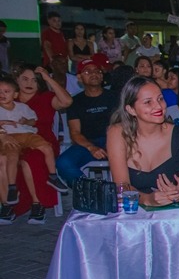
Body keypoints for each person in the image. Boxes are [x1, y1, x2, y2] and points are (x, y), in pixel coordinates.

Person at [107, 77, 179, 206]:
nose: (159, 106)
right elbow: (122, 187)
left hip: (174, 213)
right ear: (131, 109)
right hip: (133, 212)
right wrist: (147, 199)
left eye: (160, 99)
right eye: (148, 102)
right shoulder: (117, 133)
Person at [3, 66, 72, 223]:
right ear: (16, 81)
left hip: (42, 140)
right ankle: (8, 205)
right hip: (12, 140)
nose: (30, 83)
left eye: (34, 80)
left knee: (31, 159)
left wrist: (48, 78)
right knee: (4, 159)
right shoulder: (8, 98)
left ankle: (37, 204)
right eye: (25, 79)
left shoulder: (46, 97)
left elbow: (67, 101)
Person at [56, 58, 118, 186]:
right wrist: (91, 147)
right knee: (63, 163)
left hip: (115, 141)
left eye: (97, 71)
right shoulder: (75, 102)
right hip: (87, 144)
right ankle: (93, 193)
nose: (93, 74)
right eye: (87, 72)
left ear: (102, 76)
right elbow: (75, 132)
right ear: (79, 78)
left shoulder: (116, 97)